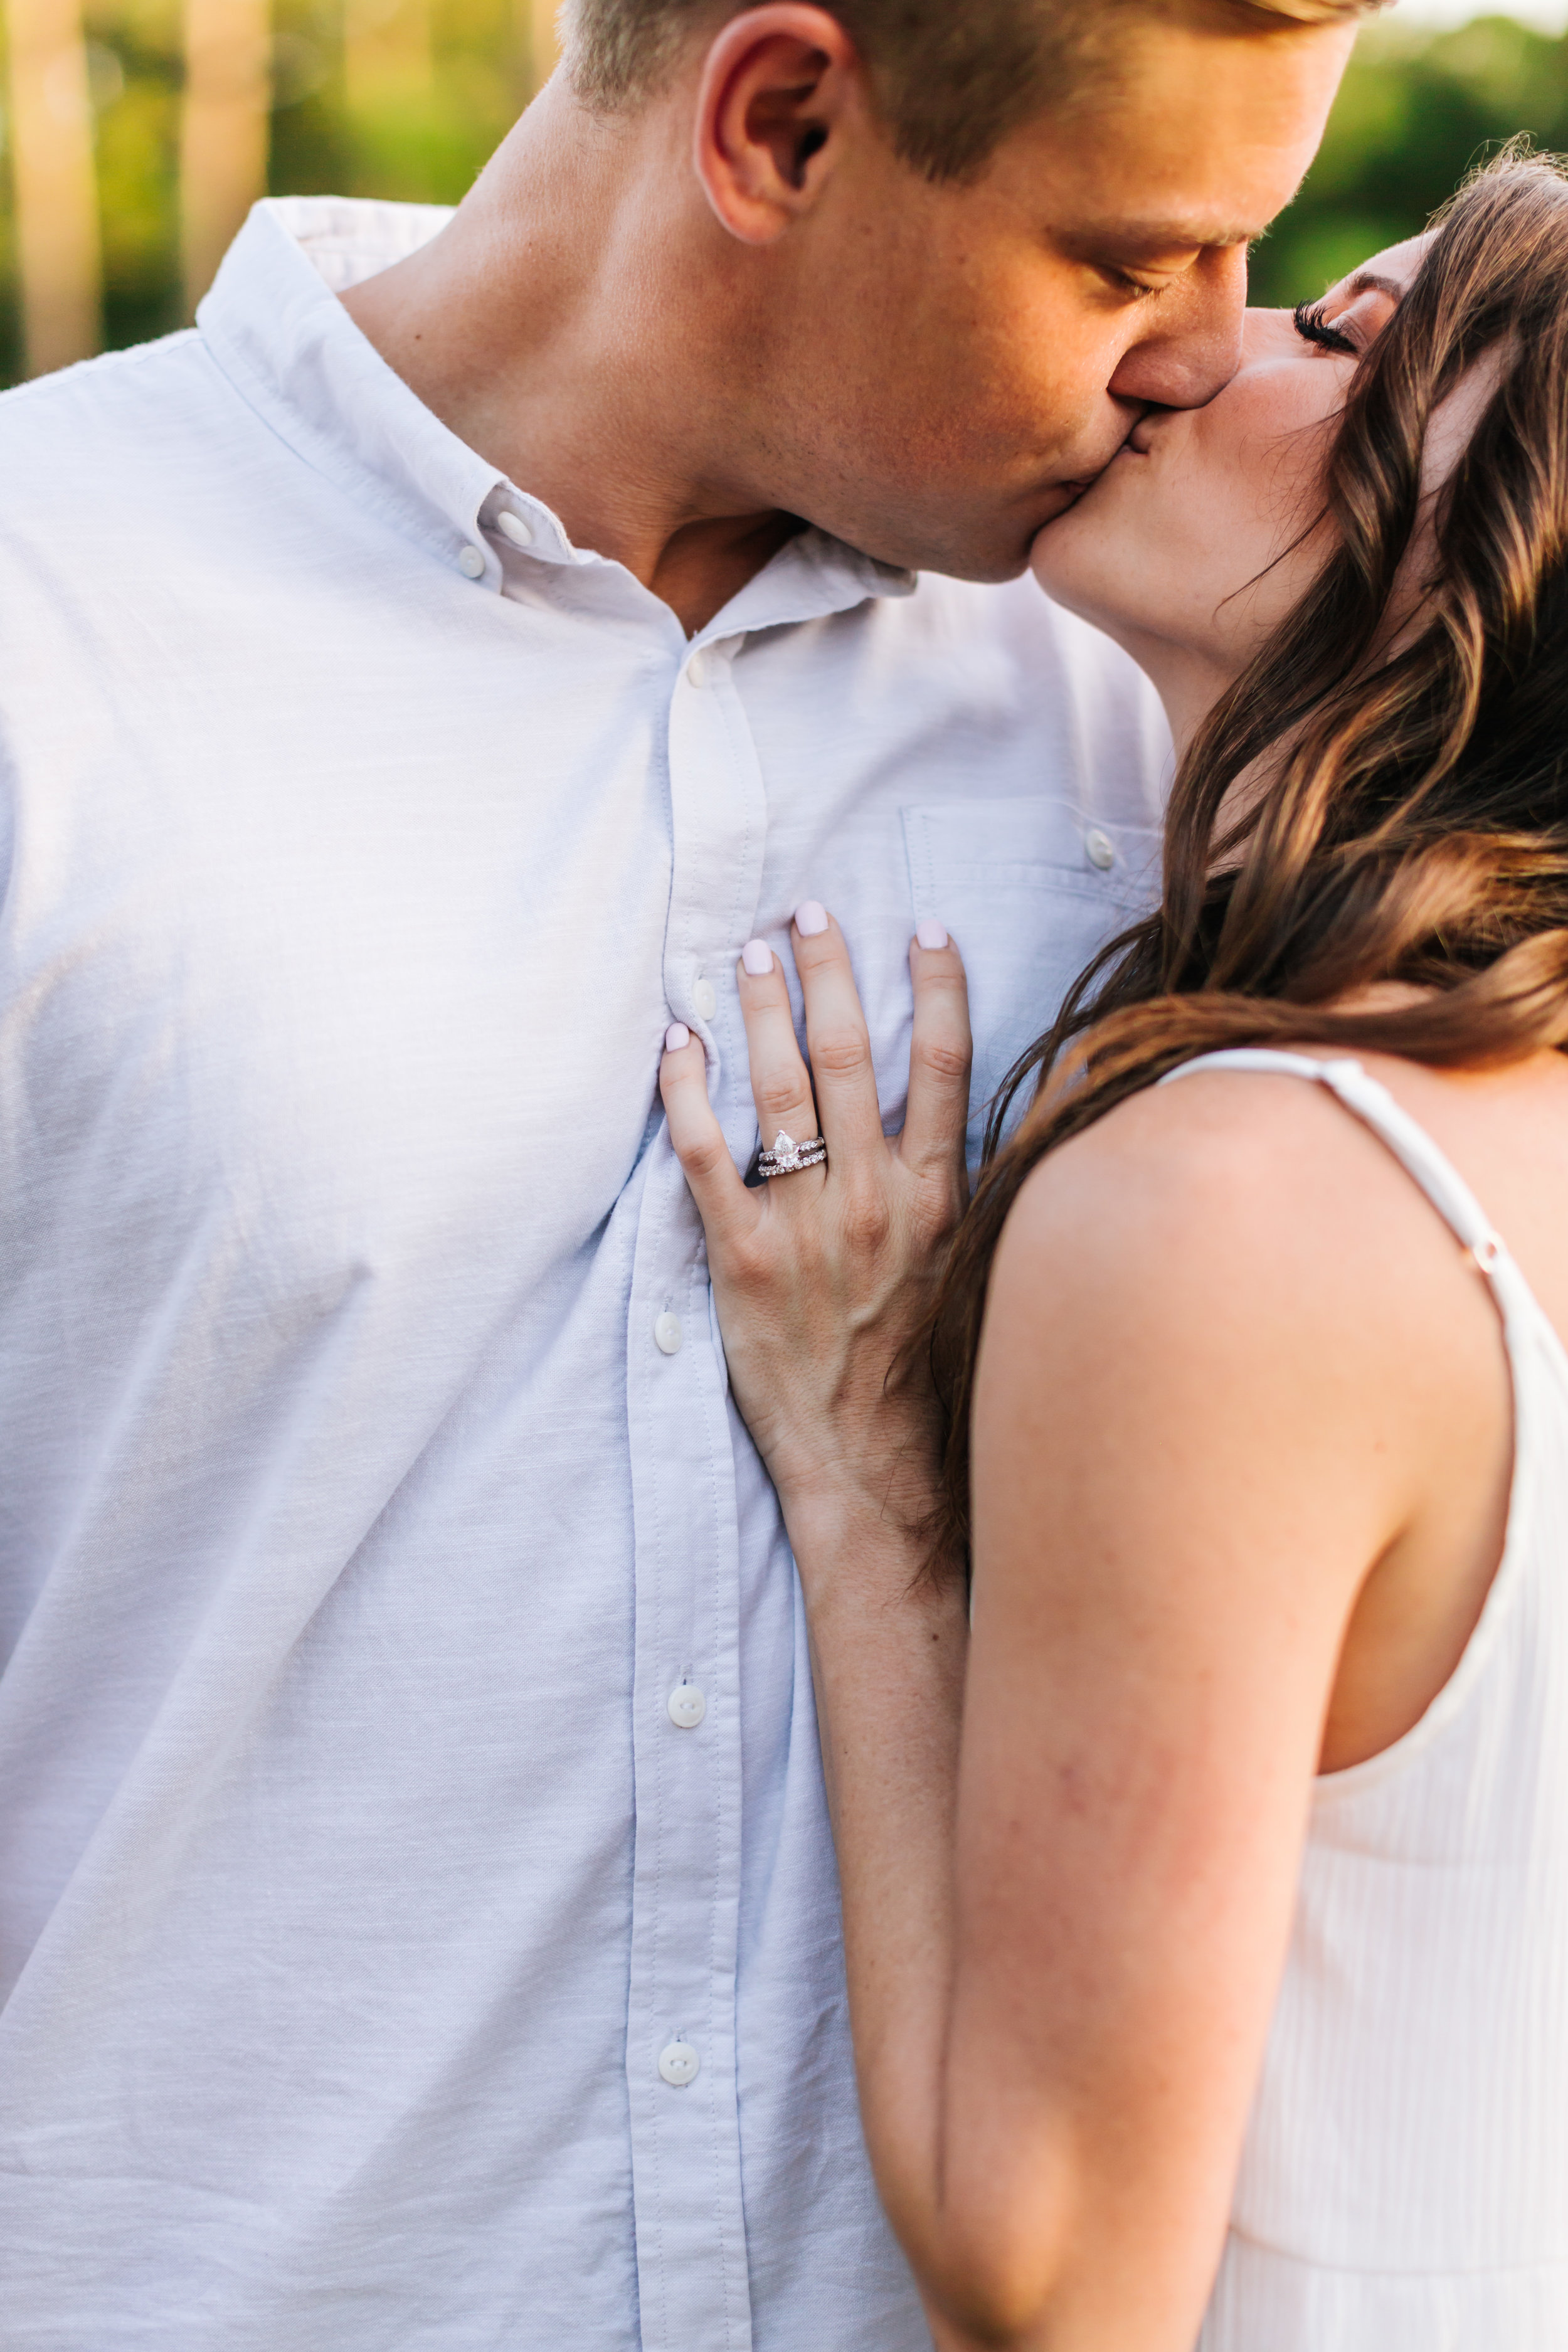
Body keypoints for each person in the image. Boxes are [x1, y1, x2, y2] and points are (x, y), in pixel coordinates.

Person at [0, 2, 1374, 2346]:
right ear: (781, 122)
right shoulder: (48, 630)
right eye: (1135, 255)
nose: (1204, 357)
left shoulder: (1184, 693)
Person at [660, 146, 1568, 2351]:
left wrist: (871, 1474)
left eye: (1346, 343)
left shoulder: (1239, 1206)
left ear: (1496, 561)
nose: (1198, 347)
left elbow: (1059, 2276)